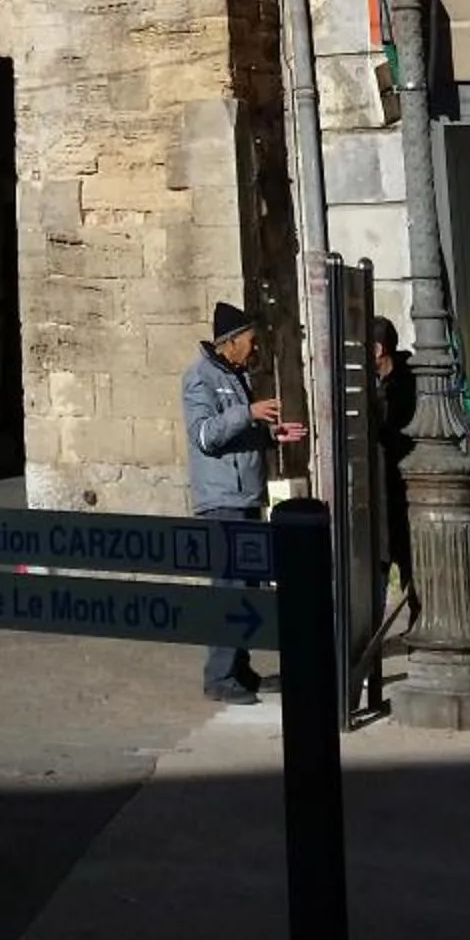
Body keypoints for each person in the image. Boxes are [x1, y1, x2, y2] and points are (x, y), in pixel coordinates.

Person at [182, 300, 304, 706]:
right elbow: (205, 436)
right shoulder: (199, 378)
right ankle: (218, 676)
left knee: (248, 586)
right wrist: (248, 412)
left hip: (247, 497)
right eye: (250, 341)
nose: (255, 350)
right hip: (222, 501)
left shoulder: (235, 375)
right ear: (230, 342)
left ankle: (239, 668)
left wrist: (271, 436)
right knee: (229, 588)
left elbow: (237, 434)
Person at [371, 316, 418, 617]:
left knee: (413, 565)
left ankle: (419, 629)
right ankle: (368, 640)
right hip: (376, 493)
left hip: (406, 492)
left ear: (377, 350)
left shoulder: (410, 384)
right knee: (375, 566)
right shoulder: (366, 386)